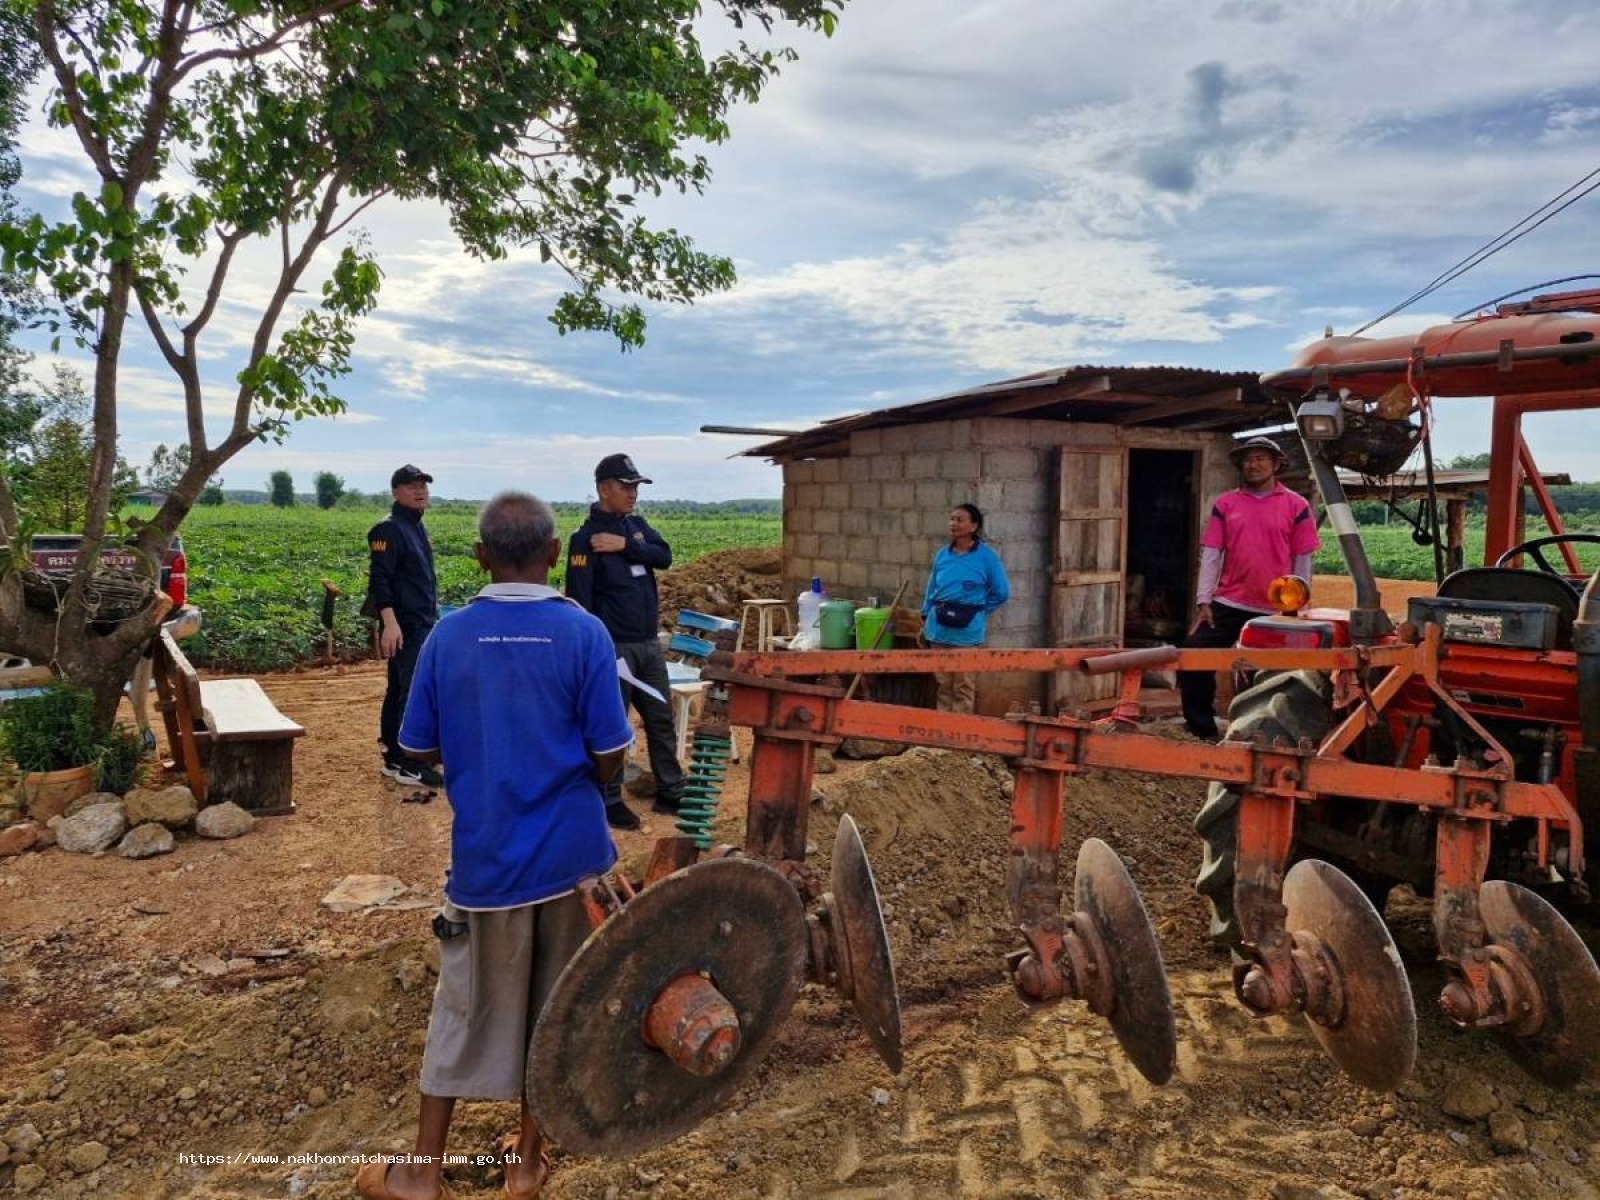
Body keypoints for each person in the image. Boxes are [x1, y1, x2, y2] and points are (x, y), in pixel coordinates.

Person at [355, 491, 633, 1200]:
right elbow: (610, 754)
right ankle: (527, 1164)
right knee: (556, 1006)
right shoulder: (585, 634)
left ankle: (420, 1176)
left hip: (487, 861)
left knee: (462, 1006)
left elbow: (418, 745)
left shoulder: (449, 636)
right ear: (551, 556)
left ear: (477, 556)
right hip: (575, 860)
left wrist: (487, 755)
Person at [565, 453, 684, 831]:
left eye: (636, 487)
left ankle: (671, 789)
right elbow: (580, 603)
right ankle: (609, 798)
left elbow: (663, 556)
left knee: (660, 719)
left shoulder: (636, 528)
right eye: (626, 487)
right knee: (612, 726)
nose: (633, 494)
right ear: (604, 489)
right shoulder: (584, 540)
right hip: (612, 649)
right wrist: (589, 654)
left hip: (648, 644)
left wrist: (625, 546)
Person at [1180, 435, 1321, 740]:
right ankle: (1201, 730)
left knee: (1275, 673)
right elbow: (1212, 555)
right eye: (1247, 459)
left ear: (1275, 464)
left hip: (1277, 607)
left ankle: (1265, 735)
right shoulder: (1226, 504)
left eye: (1260, 458)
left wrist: (1297, 606)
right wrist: (1204, 600)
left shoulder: (1297, 505)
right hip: (1229, 602)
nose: (1253, 464)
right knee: (1193, 655)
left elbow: (1302, 558)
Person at [367, 464, 443, 788]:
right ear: (395, 491)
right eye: (412, 485)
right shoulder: (388, 529)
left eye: (423, 485)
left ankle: (394, 756)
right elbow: (380, 580)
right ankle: (409, 763)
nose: (420, 490)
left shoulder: (414, 525)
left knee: (399, 688)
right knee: (411, 691)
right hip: (405, 624)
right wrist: (390, 623)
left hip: (421, 620)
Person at [921, 503, 1010, 714]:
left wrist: (978, 611)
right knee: (943, 684)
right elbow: (931, 588)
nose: (953, 524)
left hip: (967, 632)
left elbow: (1002, 592)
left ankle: (961, 736)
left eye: (960, 520)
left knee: (963, 685)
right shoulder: (943, 555)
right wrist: (925, 614)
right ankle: (943, 732)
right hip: (939, 629)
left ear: (973, 526)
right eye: (952, 519)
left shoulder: (986, 557)